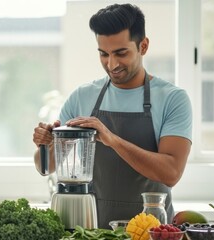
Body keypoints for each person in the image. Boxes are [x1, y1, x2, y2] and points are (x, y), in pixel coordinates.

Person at [32, 3, 192, 229]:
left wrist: (112, 139)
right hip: (91, 230)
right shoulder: (81, 97)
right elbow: (46, 168)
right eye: (103, 54)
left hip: (152, 232)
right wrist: (46, 145)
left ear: (143, 46)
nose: (111, 64)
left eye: (121, 53)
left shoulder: (172, 99)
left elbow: (171, 172)